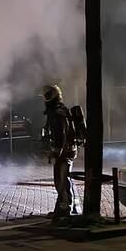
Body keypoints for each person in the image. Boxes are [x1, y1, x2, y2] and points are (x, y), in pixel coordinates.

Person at [42, 84, 78, 217]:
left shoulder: (57, 113)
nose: (44, 99)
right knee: (62, 180)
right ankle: (64, 207)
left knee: (62, 180)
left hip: (65, 151)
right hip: (66, 150)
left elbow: (61, 134)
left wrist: (56, 151)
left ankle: (66, 209)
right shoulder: (59, 110)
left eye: (46, 95)